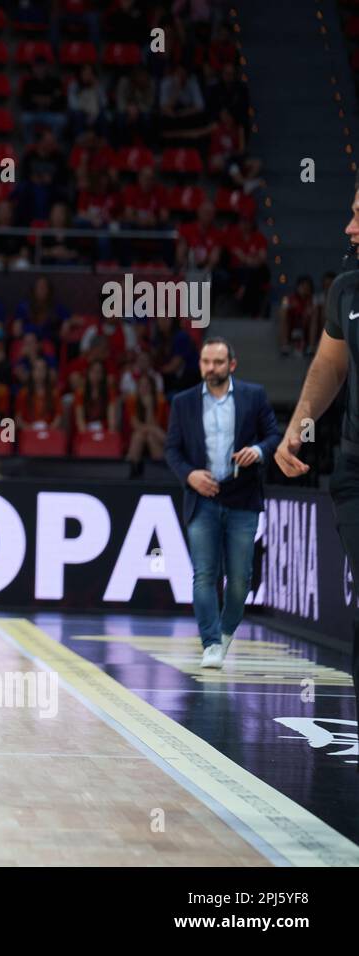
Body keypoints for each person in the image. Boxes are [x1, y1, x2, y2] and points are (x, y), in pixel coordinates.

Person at [276, 181, 359, 718]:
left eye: (358, 217)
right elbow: (331, 364)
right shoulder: (346, 289)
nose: (349, 229)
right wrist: (299, 425)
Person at [165, 338, 280, 669]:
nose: (209, 368)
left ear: (232, 364)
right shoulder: (183, 402)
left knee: (241, 577)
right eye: (205, 361)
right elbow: (172, 450)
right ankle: (211, 642)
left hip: (242, 496)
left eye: (217, 362)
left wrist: (258, 452)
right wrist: (189, 475)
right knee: (204, 574)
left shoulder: (253, 395)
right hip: (202, 497)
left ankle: (226, 630)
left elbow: (273, 436)